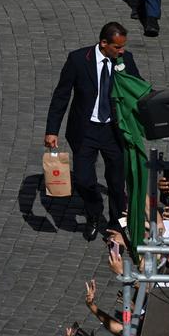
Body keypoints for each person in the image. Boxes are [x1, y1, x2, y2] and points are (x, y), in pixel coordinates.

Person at [44, 22, 142, 241]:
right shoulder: (78, 60)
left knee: (117, 182)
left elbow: (138, 88)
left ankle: (117, 223)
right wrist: (52, 130)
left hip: (113, 131)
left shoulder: (125, 60)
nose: (122, 51)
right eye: (117, 47)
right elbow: (61, 95)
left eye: (123, 46)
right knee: (83, 180)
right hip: (85, 130)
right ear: (104, 43)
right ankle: (94, 214)